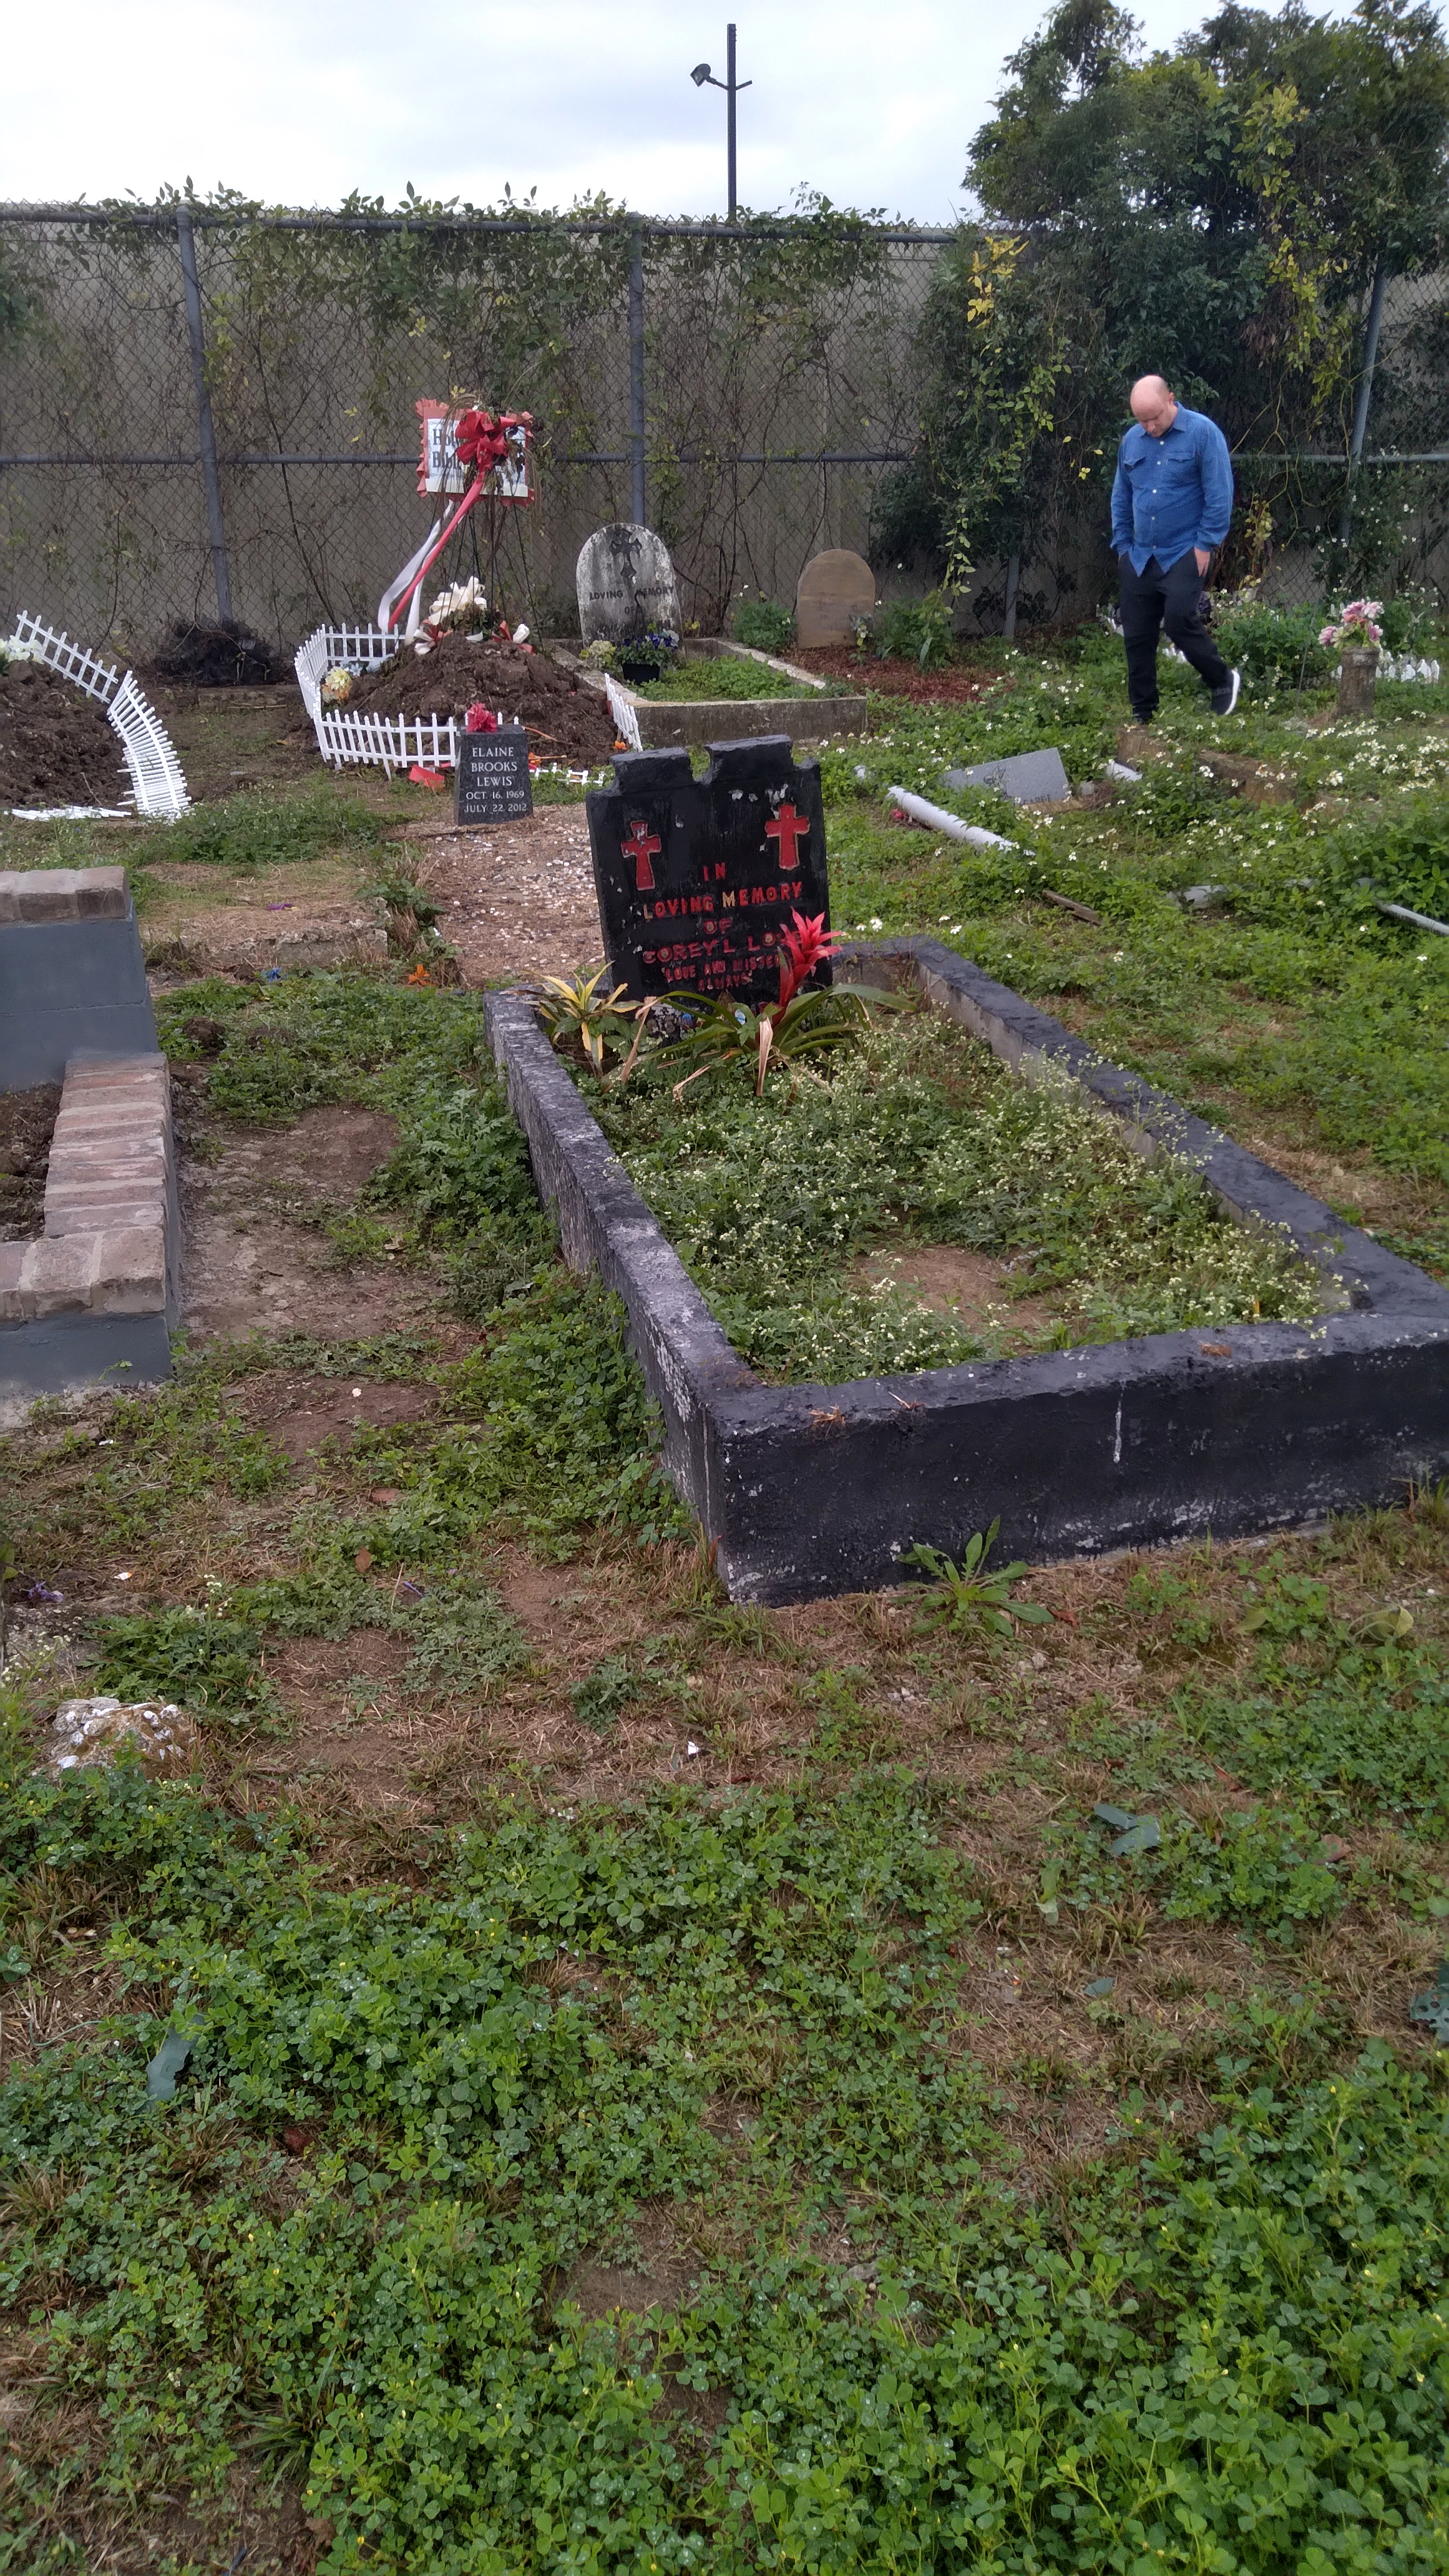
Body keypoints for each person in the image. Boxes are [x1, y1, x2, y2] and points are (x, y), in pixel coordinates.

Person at [1110, 376, 1239, 723]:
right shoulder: (1131, 442)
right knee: (1137, 634)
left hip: (1186, 548)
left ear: (1171, 399)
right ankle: (1143, 713)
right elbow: (1121, 495)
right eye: (1142, 420)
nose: (1150, 427)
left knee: (1181, 620)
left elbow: (1219, 493)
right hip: (1138, 554)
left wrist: (1206, 544)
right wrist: (1122, 545)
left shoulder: (1203, 434)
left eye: (1155, 417)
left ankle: (1223, 680)